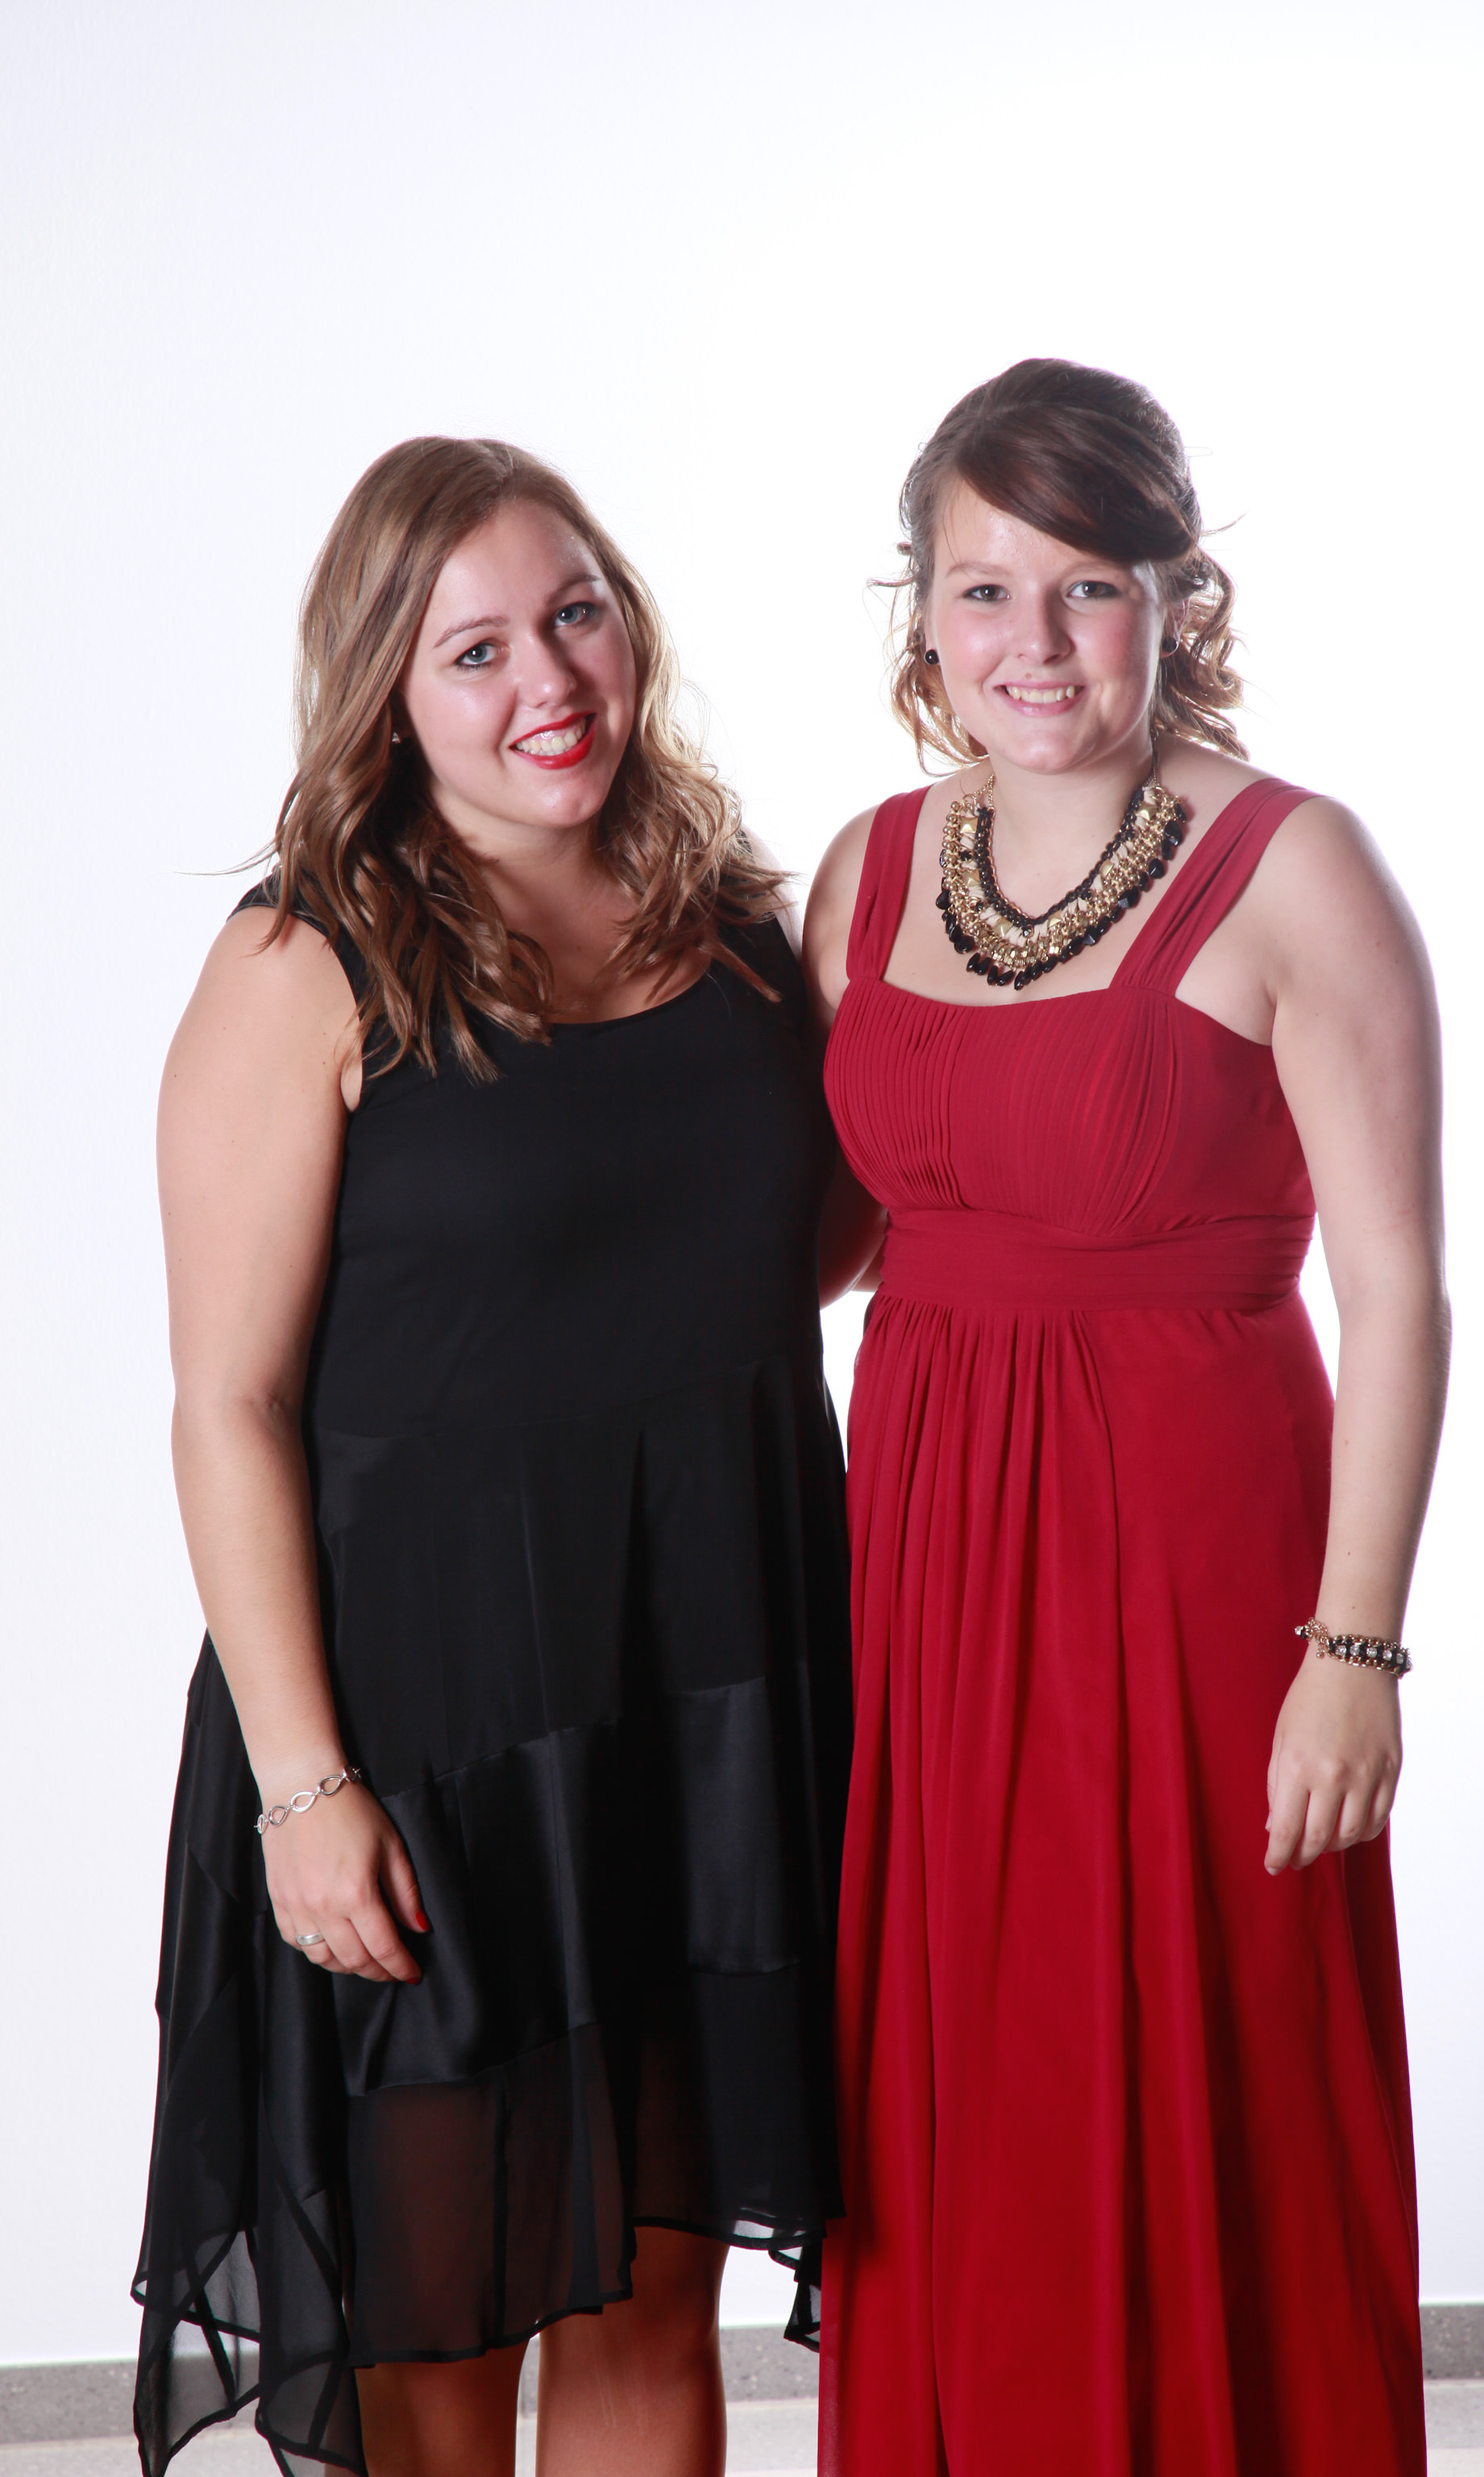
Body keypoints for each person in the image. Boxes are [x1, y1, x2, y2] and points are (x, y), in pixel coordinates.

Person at [134, 438, 852, 2477]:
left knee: (649, 2310)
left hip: (709, 1708)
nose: (548, 678)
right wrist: (304, 1791)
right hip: (427, 1734)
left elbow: (791, 1258)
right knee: (439, 2325)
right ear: (386, 691)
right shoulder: (302, 965)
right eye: (474, 650)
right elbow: (227, 1405)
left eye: (576, 613)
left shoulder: (739, 923)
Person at [803, 360, 1449, 2477]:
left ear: (1181, 598)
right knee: (956, 2076)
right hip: (921, 1566)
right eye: (983, 589)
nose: (1035, 643)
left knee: (1212, 2063)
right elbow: (820, 1241)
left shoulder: (1296, 868)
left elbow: (1399, 1291)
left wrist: (1353, 1652)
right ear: (922, 614)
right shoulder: (864, 870)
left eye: (1089, 586)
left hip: (1197, 1573)